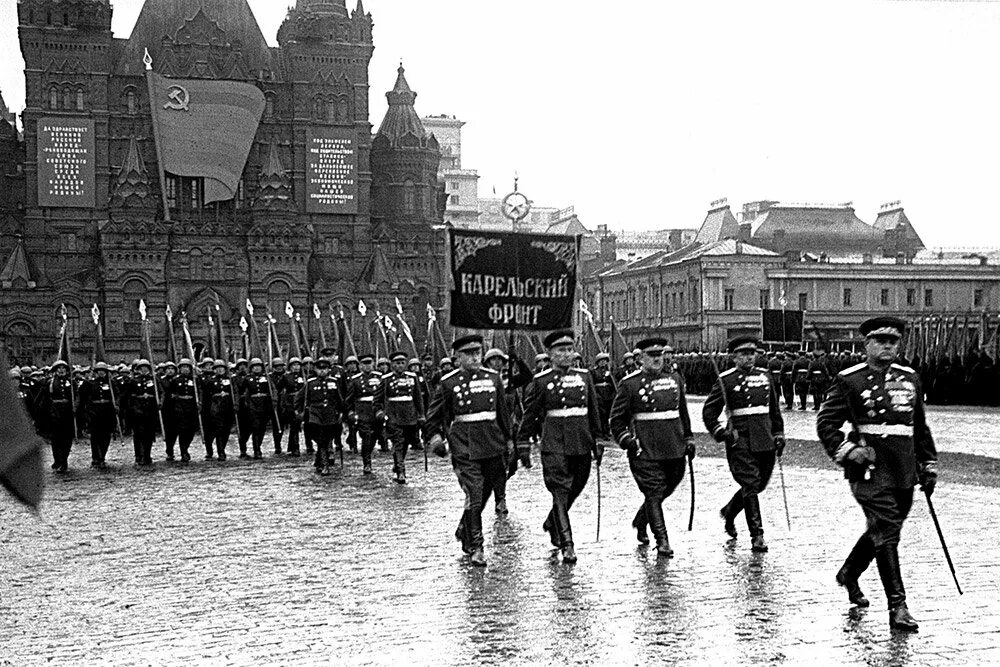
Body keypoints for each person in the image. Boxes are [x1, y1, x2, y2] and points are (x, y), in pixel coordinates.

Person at [817, 316, 937, 632]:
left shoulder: (910, 378)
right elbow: (826, 424)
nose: (887, 346)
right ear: (866, 344)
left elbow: (919, 427)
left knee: (884, 530)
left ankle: (850, 572)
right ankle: (898, 606)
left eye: (893, 341)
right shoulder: (850, 380)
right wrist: (847, 451)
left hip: (903, 470)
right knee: (887, 531)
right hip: (868, 469)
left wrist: (928, 464)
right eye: (880, 341)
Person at [426, 335, 513, 566]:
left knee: (484, 493)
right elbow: (433, 417)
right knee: (474, 492)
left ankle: (465, 527)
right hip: (464, 446)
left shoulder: (494, 379)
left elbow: (503, 415)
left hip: (493, 444)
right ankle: (477, 546)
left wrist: (511, 441)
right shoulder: (448, 383)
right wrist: (435, 439)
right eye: (469, 354)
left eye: (477, 353)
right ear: (458, 357)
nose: (475, 357)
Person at [518, 330, 602, 564]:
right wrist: (523, 444)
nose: (566, 355)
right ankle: (567, 543)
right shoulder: (541, 381)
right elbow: (530, 415)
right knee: (560, 491)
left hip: (581, 442)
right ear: (550, 354)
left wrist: (598, 440)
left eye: (569, 350)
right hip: (554, 444)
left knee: (577, 486)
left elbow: (594, 412)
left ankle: (553, 520)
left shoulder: (585, 377)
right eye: (560, 351)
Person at [610, 338, 695, 557]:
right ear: (640, 358)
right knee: (654, 492)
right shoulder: (630, 384)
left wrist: (689, 438)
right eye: (652, 355)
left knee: (669, 486)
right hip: (645, 449)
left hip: (674, 447)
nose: (658, 359)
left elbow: (682, 412)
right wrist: (627, 440)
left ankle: (641, 520)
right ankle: (662, 540)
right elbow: (616, 420)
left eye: (660, 354)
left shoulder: (674, 379)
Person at [703, 335, 785, 553]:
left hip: (765, 438)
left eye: (752, 353)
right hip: (741, 439)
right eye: (744, 354)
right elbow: (709, 412)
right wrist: (722, 432)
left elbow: (774, 409)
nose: (749, 358)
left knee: (759, 485)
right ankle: (757, 535)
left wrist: (779, 433)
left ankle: (730, 511)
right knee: (750, 485)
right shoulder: (726, 380)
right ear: (734, 357)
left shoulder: (765, 376)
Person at [375, 351, 425, 484]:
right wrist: (380, 412)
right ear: (392, 365)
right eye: (397, 363)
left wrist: (421, 415)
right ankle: (401, 472)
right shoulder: (386, 379)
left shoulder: (412, 377)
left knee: (406, 443)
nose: (400, 365)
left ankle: (398, 463)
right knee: (398, 443)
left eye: (403, 363)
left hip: (410, 416)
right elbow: (377, 399)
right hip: (393, 416)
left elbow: (418, 399)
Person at [296, 357, 345, 476]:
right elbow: (299, 398)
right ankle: (325, 464)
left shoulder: (333, 382)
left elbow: (339, 399)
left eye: (325, 368)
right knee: (320, 438)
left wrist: (342, 412)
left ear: (329, 369)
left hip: (330, 413)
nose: (322, 371)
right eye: (319, 369)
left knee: (327, 438)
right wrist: (299, 411)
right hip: (315, 413)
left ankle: (319, 460)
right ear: (315, 370)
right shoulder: (310, 383)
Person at [346, 354, 384, 474]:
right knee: (366, 436)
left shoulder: (380, 377)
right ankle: (367, 462)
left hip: (376, 411)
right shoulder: (355, 379)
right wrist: (351, 412)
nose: (367, 367)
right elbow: (349, 399)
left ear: (373, 364)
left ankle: (368, 454)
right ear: (360, 366)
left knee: (375, 435)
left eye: (369, 363)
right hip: (362, 411)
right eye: (364, 364)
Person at [38, 360, 77, 473]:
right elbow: (44, 399)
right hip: (54, 414)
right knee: (56, 439)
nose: (61, 370)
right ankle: (58, 460)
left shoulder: (71, 382)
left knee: (67, 439)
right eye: (59, 368)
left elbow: (76, 395)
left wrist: (76, 406)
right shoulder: (49, 383)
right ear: (55, 371)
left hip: (68, 413)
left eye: (63, 368)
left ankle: (64, 461)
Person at [79, 361, 119, 468]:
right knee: (96, 436)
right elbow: (83, 395)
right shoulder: (91, 383)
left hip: (108, 412)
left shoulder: (111, 383)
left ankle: (102, 456)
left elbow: (117, 395)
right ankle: (96, 457)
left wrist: (117, 405)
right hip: (95, 413)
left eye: (103, 371)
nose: (101, 373)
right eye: (99, 371)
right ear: (96, 372)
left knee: (106, 436)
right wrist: (86, 382)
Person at [124, 359, 160, 467]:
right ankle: (139, 455)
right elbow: (128, 396)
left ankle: (147, 455)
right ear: (138, 370)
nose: (144, 370)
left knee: (149, 435)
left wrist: (159, 402)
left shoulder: (154, 380)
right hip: (137, 411)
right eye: (142, 368)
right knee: (138, 434)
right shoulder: (133, 381)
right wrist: (133, 408)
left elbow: (160, 392)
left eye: (146, 368)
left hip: (150, 410)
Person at [163, 358, 199, 463]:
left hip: (191, 408)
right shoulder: (175, 380)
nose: (185, 369)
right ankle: (183, 452)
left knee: (190, 431)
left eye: (187, 367)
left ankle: (186, 447)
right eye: (183, 367)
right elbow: (169, 395)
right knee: (181, 431)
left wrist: (198, 402)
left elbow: (199, 391)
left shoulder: (195, 380)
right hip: (179, 409)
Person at [201, 359, 235, 461]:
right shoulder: (210, 381)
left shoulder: (230, 380)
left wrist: (235, 404)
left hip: (228, 407)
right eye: (217, 368)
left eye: (222, 368)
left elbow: (235, 392)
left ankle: (222, 448)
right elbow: (205, 395)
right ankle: (220, 452)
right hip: (215, 408)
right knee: (218, 430)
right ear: (214, 370)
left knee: (226, 430)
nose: (220, 370)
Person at [591, 352, 615, 440]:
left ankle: (607, 431)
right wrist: (596, 395)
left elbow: (612, 384)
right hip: (599, 395)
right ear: (597, 362)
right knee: (602, 414)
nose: (603, 363)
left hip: (608, 395)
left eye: (605, 361)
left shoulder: (609, 372)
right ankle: (602, 432)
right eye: (601, 361)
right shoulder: (594, 371)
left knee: (608, 414)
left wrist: (613, 394)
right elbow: (592, 384)